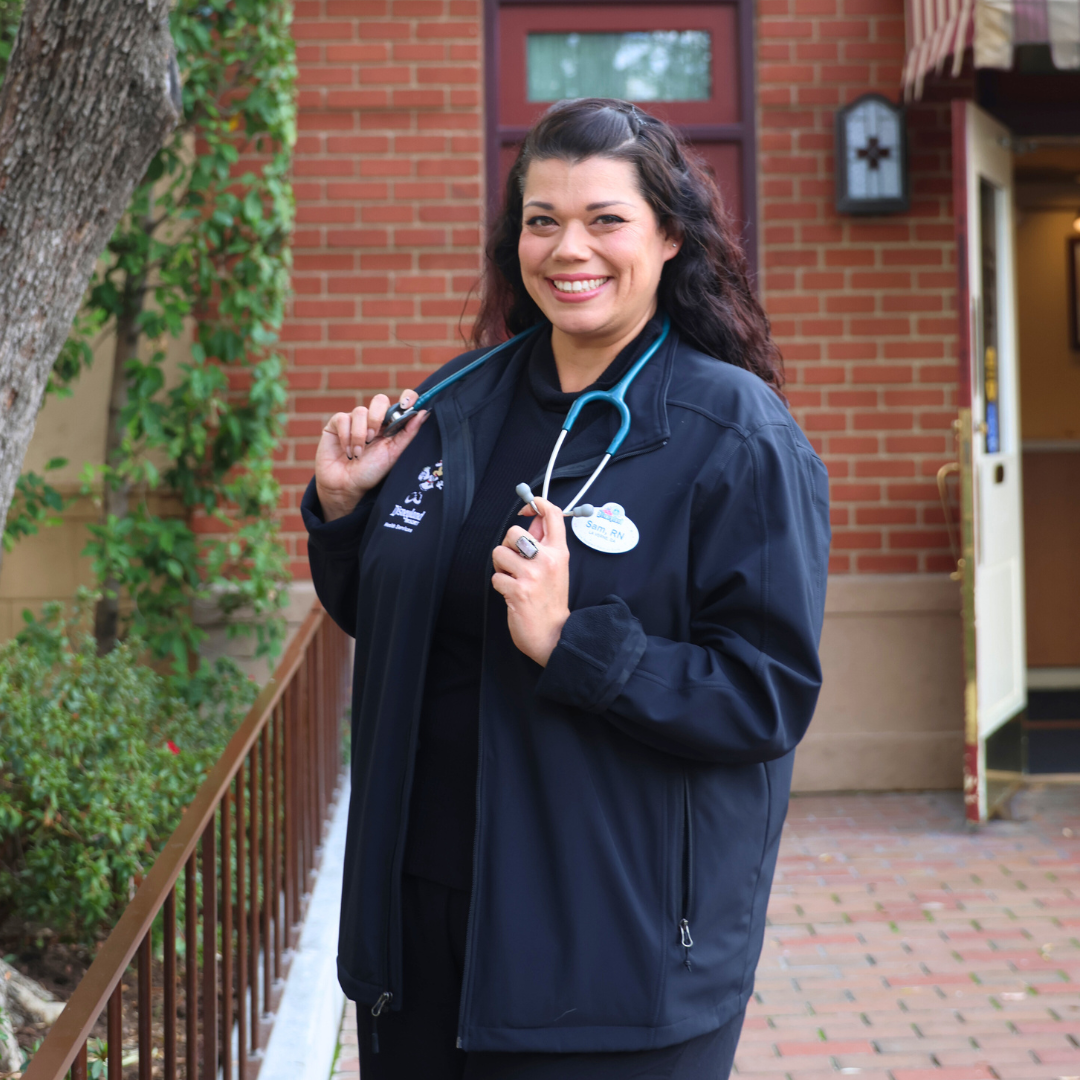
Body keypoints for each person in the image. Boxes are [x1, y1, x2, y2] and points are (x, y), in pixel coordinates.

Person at [303, 98, 830, 1080]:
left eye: (605, 219)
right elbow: (401, 628)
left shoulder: (735, 433)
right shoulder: (459, 399)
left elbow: (766, 695)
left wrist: (574, 640)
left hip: (610, 958)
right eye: (541, 220)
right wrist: (342, 514)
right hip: (421, 934)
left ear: (670, 237)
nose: (567, 248)